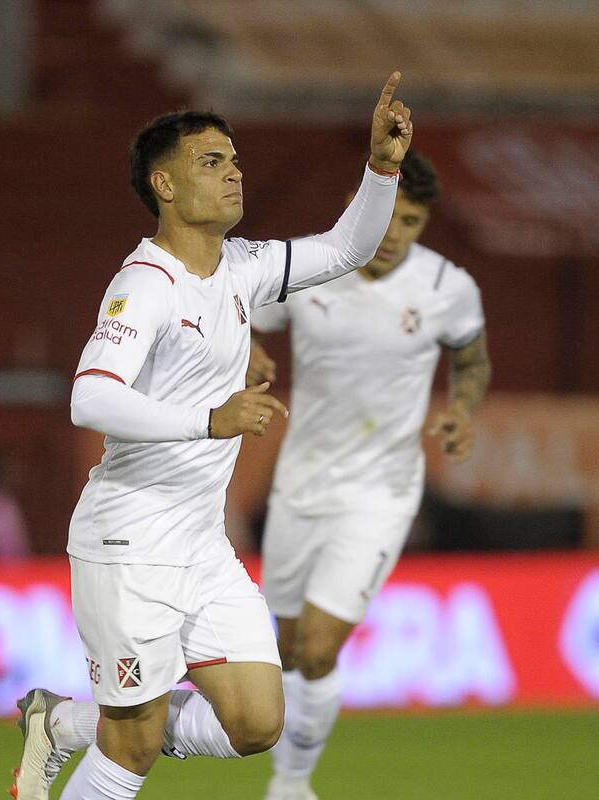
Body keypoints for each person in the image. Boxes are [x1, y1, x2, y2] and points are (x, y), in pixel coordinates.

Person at [10, 73, 414, 800]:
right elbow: (90, 396)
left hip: (200, 547)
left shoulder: (240, 268)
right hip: (130, 544)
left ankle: (65, 723)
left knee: (257, 722)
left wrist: (380, 167)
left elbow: (345, 249)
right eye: (211, 162)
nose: (233, 173)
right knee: (132, 748)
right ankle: (86, 733)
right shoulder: (147, 283)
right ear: (164, 185)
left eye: (234, 160)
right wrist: (210, 420)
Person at [248, 150, 491, 800]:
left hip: (381, 491)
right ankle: (290, 771)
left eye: (411, 222)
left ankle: (291, 784)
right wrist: (250, 350)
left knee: (322, 649)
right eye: (387, 216)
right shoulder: (308, 269)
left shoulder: (448, 287)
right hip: (300, 484)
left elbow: (471, 361)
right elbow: (240, 314)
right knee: (290, 650)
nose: (394, 235)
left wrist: (463, 411)